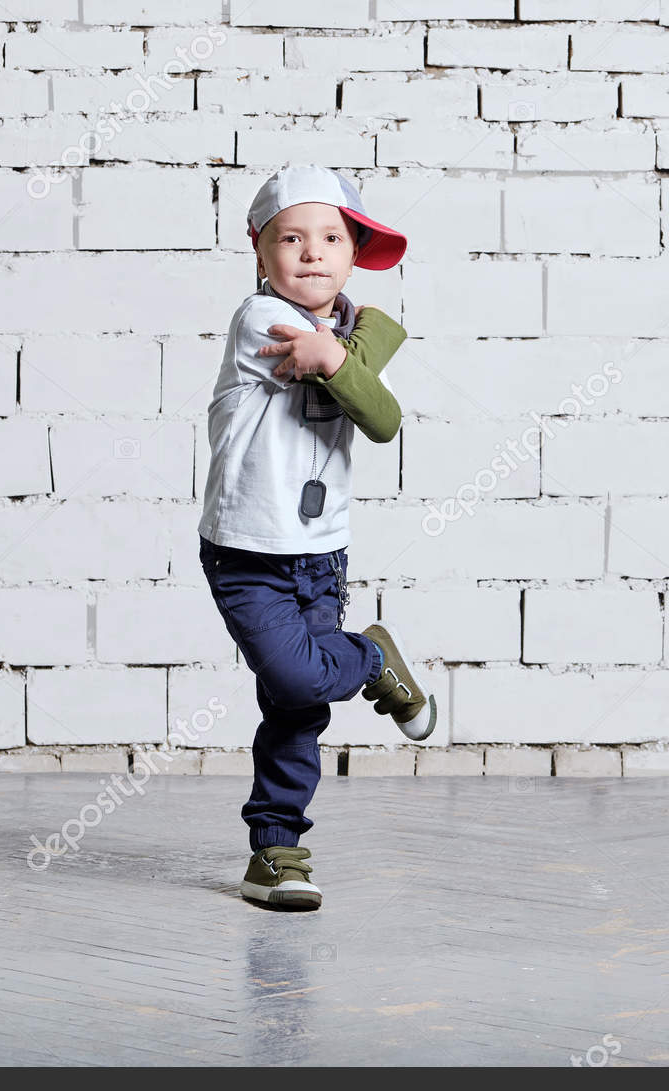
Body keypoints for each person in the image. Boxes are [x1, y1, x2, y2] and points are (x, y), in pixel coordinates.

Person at [198, 165, 438, 912]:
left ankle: (276, 850)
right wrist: (346, 357)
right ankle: (370, 657)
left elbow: (383, 419)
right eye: (291, 238)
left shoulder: (345, 340)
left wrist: (349, 357)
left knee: (295, 706)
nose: (311, 253)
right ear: (259, 250)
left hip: (320, 553)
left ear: (355, 250)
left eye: (331, 238)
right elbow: (348, 380)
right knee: (304, 677)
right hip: (248, 551)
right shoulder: (261, 322)